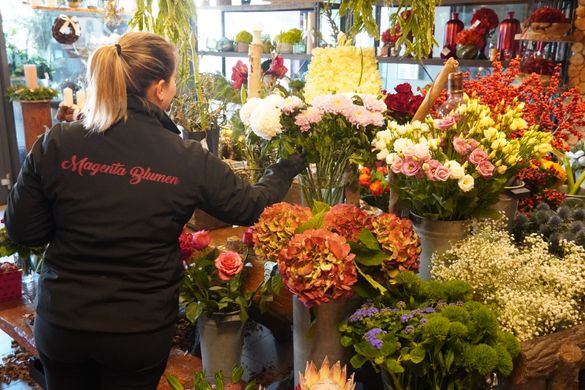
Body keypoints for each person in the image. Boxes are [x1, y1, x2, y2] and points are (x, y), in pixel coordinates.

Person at [4, 31, 306, 390]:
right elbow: (250, 206)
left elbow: (24, 232)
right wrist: (286, 167)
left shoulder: (58, 141)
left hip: (62, 323)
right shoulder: (186, 158)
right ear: (159, 88)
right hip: (137, 332)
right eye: (174, 81)